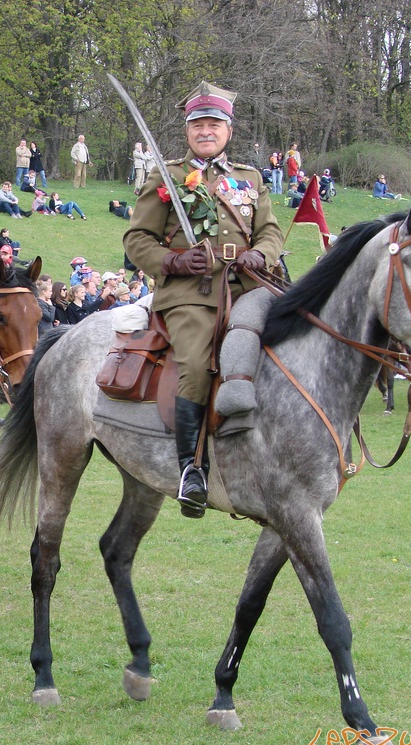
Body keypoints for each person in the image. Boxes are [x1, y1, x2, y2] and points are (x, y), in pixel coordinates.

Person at [123, 81, 283, 517]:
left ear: (228, 130)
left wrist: (259, 254)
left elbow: (270, 231)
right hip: (190, 294)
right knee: (195, 362)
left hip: (248, 285)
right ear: (188, 130)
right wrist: (174, 263)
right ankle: (191, 469)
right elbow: (137, 239)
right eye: (198, 124)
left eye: (214, 124)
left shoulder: (249, 178)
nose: (206, 131)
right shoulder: (168, 176)